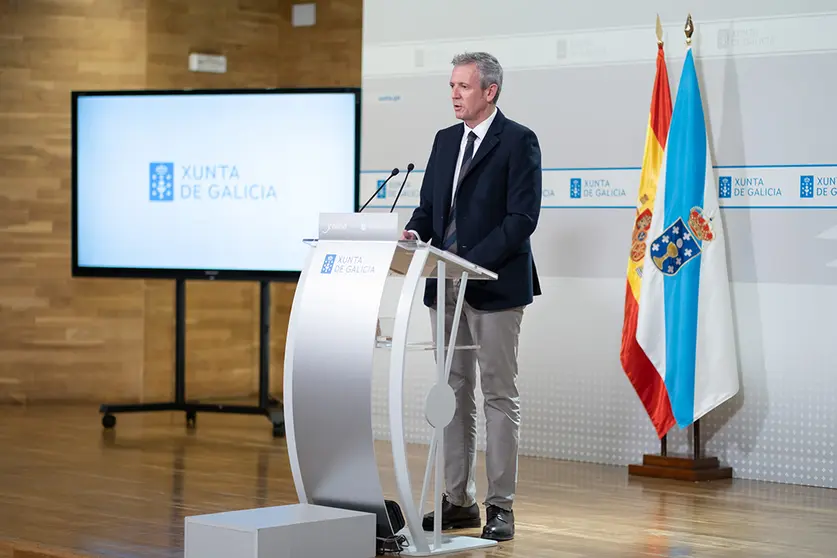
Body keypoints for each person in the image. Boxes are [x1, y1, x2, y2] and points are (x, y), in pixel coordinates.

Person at [401, 51, 542, 542]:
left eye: (463, 86)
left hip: (495, 287)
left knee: (498, 395)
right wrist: (414, 235)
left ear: (490, 91)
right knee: (453, 393)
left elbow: (522, 219)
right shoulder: (444, 142)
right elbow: (428, 209)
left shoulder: (519, 141)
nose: (455, 94)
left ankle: (500, 505)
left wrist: (473, 264)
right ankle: (457, 500)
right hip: (445, 286)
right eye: (452, 86)